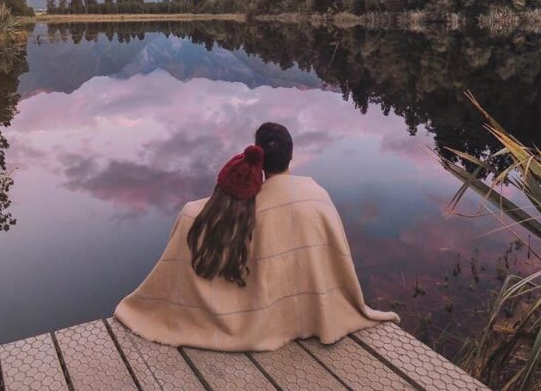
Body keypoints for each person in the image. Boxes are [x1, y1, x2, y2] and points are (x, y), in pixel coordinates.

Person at [114, 122, 399, 351]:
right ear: (291, 156)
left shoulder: (210, 212)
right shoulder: (318, 197)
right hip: (301, 316)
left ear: (259, 160)